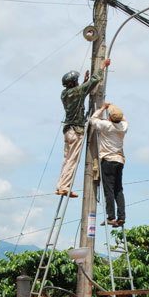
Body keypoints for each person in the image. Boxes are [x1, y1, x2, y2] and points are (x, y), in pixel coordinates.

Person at [55, 58, 111, 197]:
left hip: (68, 130)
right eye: (77, 81)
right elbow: (94, 81)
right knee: (72, 160)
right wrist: (102, 66)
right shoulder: (77, 91)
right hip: (76, 131)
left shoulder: (65, 94)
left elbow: (80, 92)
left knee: (67, 159)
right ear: (73, 83)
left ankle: (60, 185)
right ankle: (64, 186)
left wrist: (84, 83)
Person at [90, 102, 128, 226]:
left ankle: (111, 217)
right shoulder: (124, 126)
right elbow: (123, 118)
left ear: (110, 117)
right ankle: (121, 217)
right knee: (118, 189)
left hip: (108, 160)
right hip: (119, 161)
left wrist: (103, 108)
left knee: (109, 190)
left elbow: (92, 120)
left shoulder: (106, 125)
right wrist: (115, 109)